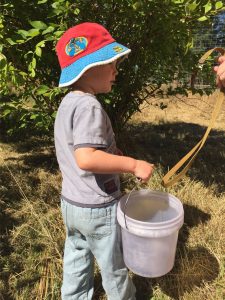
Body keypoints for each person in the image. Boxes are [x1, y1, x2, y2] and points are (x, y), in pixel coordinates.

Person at [54, 22, 154, 300]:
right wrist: (133, 164)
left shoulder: (68, 103)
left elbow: (80, 151)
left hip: (71, 204)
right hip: (97, 207)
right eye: (109, 62)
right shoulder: (89, 106)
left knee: (76, 257)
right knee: (114, 266)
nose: (115, 70)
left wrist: (114, 154)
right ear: (88, 68)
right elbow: (87, 158)